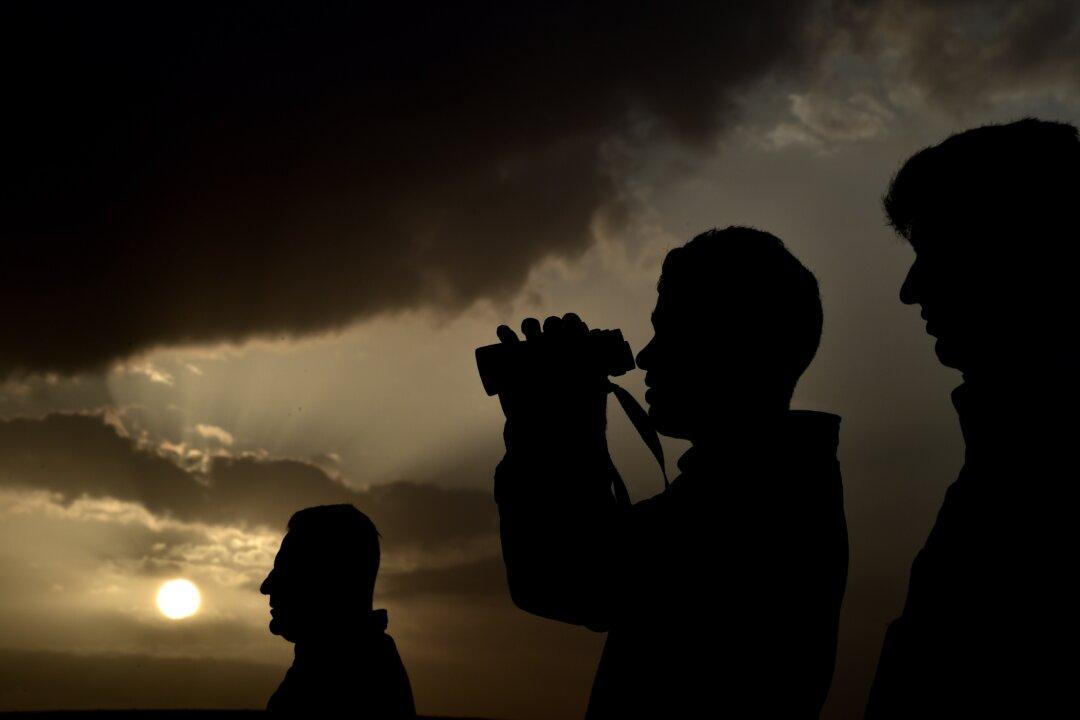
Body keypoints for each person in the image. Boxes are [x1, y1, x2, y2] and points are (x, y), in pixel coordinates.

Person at [492, 227, 848, 718]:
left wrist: (548, 425)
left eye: (671, 330)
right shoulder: (777, 483)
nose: (645, 356)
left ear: (732, 343)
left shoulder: (744, 503)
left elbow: (563, 578)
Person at [866, 118, 1080, 718]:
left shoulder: (1032, 475)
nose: (910, 291)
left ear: (1017, 250)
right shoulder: (1006, 457)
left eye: (935, 252)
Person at [260, 504, 416, 717]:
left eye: (287, 571)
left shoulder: (337, 677)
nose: (266, 586)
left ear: (328, 581)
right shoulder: (357, 665)